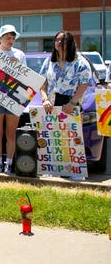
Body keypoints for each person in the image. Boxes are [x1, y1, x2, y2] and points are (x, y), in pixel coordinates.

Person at [39, 31, 92, 181]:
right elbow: (42, 83)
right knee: (52, 138)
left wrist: (73, 102)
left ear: (70, 43)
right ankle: (53, 168)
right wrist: (44, 99)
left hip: (71, 103)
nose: (59, 43)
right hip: (51, 103)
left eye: (63, 40)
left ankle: (75, 171)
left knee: (73, 137)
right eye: (57, 40)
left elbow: (85, 83)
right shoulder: (49, 61)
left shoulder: (80, 61)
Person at [0, 24, 26, 174]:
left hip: (13, 100)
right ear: (0, 38)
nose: (11, 40)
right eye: (8, 37)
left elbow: (26, 81)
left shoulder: (20, 55)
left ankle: (8, 163)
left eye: (13, 37)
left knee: (11, 133)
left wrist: (19, 67)